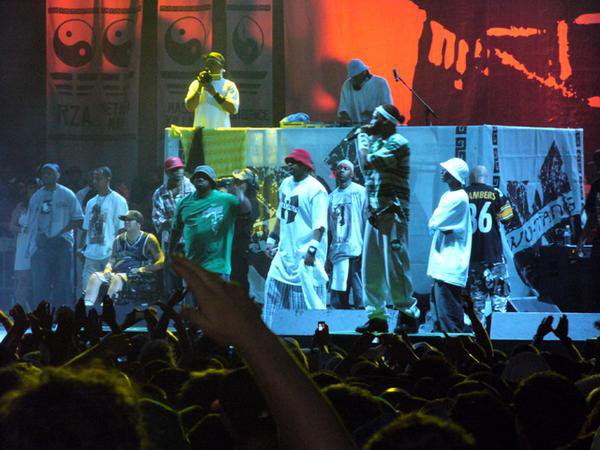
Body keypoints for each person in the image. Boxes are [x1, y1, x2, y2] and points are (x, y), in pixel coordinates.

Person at [355, 104, 418, 334]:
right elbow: (366, 175)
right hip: (375, 214)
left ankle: (407, 314)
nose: (371, 121)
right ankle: (377, 317)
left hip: (393, 212)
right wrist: (368, 210)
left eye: (375, 117)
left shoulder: (398, 143)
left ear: (387, 121)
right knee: (371, 268)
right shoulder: (376, 143)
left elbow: (371, 162)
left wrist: (362, 139)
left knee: (396, 266)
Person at [263, 149, 329, 328]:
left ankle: (312, 349)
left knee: (307, 314)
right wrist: (272, 239)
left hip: (305, 259)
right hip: (284, 256)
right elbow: (281, 215)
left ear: (305, 166)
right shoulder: (285, 184)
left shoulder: (316, 190)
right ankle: (271, 344)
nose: (290, 165)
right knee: (271, 303)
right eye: (289, 162)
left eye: (294, 162)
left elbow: (320, 226)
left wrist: (312, 250)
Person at [169, 165, 251, 280]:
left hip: (217, 267)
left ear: (212, 181)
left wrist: (239, 193)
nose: (200, 178)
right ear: (192, 180)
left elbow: (246, 210)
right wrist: (171, 255)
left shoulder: (226, 200)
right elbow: (176, 230)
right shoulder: (183, 203)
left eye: (204, 176)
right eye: (197, 175)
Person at [26, 163, 84, 306]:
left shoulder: (67, 194)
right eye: (44, 173)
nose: (46, 176)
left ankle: (63, 317)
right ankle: (42, 317)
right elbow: (31, 221)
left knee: (63, 282)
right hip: (42, 243)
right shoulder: (36, 196)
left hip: (62, 243)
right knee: (40, 283)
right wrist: (32, 245)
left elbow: (79, 219)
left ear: (58, 175)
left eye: (50, 173)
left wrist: (61, 231)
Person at [427, 158, 472, 332]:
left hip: (450, 263)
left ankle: (456, 351)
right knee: (439, 313)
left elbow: (435, 222)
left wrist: (437, 225)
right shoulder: (448, 196)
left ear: (454, 176)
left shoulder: (459, 198)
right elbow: (436, 224)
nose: (442, 172)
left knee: (449, 315)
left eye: (446, 170)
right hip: (442, 262)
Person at [83, 210, 164, 305]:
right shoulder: (119, 239)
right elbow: (112, 260)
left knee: (117, 278)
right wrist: (107, 269)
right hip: (119, 271)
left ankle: (106, 307)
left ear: (138, 223)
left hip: (138, 274)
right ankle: (87, 308)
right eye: (125, 220)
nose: (126, 222)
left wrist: (143, 269)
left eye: (130, 220)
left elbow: (162, 261)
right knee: (95, 277)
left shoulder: (148, 239)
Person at [465, 165, 514, 323]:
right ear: (486, 177)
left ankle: (479, 342)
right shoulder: (496, 193)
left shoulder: (463, 194)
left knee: (476, 306)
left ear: (471, 177)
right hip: (494, 256)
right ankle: (501, 341)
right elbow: (508, 219)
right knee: (499, 304)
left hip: (472, 257)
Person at [79, 167, 129, 299]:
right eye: (93, 179)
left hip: (109, 255)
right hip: (91, 255)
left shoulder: (119, 201)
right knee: (87, 296)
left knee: (109, 297)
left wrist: (117, 253)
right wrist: (81, 247)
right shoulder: (91, 202)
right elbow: (86, 227)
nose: (94, 182)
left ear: (108, 179)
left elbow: (122, 228)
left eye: (98, 178)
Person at [151, 156, 195, 295]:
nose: (178, 172)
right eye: (174, 170)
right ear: (167, 173)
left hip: (191, 242)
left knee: (191, 280)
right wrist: (176, 221)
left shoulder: (193, 188)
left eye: (180, 168)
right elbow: (158, 219)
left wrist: (175, 220)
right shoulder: (160, 193)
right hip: (171, 243)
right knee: (172, 280)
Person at [328, 160, 368, 309]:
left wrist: (365, 247)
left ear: (352, 173)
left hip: (355, 249)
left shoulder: (360, 192)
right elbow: (330, 227)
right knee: (338, 295)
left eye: (345, 168)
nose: (341, 171)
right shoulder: (331, 197)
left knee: (359, 293)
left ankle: (362, 321)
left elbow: (366, 220)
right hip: (338, 251)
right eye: (339, 168)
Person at [184, 51, 239, 128]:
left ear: (221, 67)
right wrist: (199, 87)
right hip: (201, 134)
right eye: (207, 63)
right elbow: (190, 107)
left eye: (212, 63)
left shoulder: (229, 85)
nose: (208, 66)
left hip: (221, 134)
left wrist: (214, 94)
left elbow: (233, 109)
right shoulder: (196, 83)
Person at [9, 177, 38, 308]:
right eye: (29, 188)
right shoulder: (21, 206)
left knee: (38, 279)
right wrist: (22, 229)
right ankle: (21, 310)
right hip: (23, 246)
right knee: (22, 279)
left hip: (38, 245)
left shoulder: (43, 205)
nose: (31, 191)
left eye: (34, 188)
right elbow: (12, 226)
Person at [229, 168, 260, 291]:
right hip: (232, 249)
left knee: (239, 280)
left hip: (241, 250)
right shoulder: (234, 199)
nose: (236, 184)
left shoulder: (252, 202)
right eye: (235, 181)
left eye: (240, 182)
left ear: (249, 184)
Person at [577, 148, 600, 308]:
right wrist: (583, 239)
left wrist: (582, 239)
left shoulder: (597, 185)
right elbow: (592, 215)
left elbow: (592, 216)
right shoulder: (597, 186)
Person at [338, 59, 393, 125]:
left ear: (364, 73)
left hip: (378, 127)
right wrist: (345, 118)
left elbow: (388, 109)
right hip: (355, 128)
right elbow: (343, 108)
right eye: (353, 78)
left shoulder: (380, 83)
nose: (354, 81)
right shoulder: (347, 84)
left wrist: (374, 113)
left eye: (356, 78)